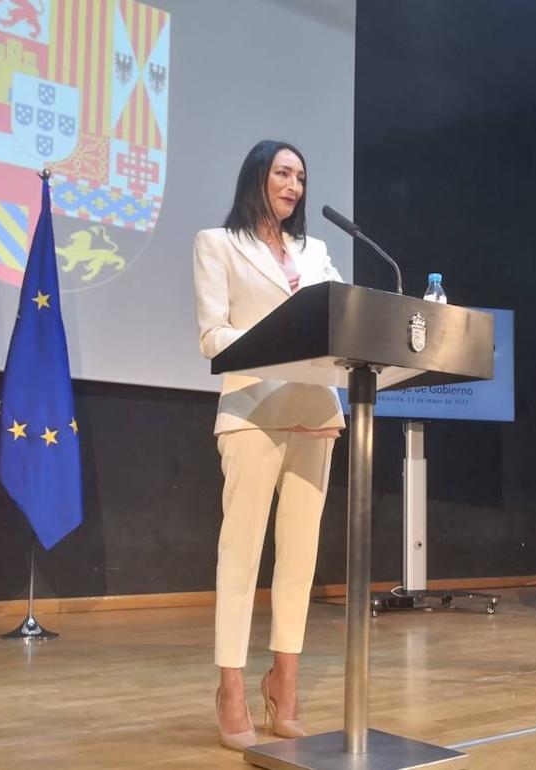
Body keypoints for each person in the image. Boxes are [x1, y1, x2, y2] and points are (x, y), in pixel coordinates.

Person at [193, 140, 344, 750]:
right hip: (253, 409)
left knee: (301, 559)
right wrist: (281, 335)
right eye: (283, 173)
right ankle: (230, 685)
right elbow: (213, 335)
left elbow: (340, 315)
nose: (293, 185)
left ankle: (285, 679)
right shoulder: (216, 243)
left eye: (301, 177)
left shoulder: (319, 251)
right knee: (242, 553)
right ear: (257, 176)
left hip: (315, 411)